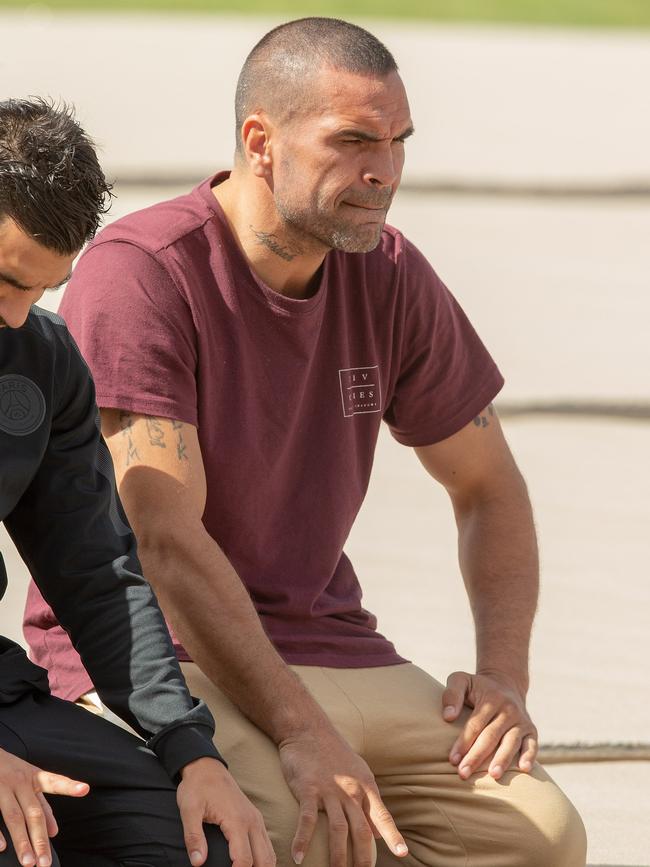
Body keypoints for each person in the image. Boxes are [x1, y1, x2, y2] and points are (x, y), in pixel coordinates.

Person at [24, 19, 587, 867]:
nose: (385, 172)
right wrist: (303, 731)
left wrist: (502, 674)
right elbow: (165, 542)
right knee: (285, 842)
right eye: (354, 141)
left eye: (398, 142)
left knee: (542, 837)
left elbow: (487, 484)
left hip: (337, 646)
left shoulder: (390, 273)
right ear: (261, 142)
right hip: (171, 656)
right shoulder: (144, 270)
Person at [0, 97, 276, 867]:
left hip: (7, 701)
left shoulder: (43, 359)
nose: (19, 317)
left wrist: (190, 748)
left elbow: (98, 572)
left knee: (206, 845)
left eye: (41, 291)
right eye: (4, 281)